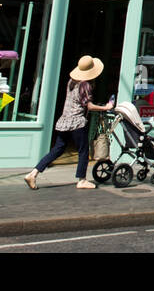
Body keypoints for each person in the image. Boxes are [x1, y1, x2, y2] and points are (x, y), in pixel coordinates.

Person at [25, 55, 114, 190]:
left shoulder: (72, 81)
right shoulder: (85, 85)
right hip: (77, 122)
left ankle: (33, 173)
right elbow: (89, 106)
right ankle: (82, 180)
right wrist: (106, 107)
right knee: (83, 151)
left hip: (64, 121)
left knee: (58, 149)